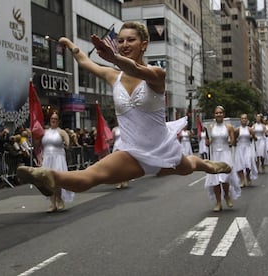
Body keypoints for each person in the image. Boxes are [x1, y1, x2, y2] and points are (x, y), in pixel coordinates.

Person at [17, 21, 231, 196]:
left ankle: (209, 166)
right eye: (120, 41)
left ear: (144, 44)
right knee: (90, 176)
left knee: (190, 166)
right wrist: (70, 44)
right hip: (133, 152)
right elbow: (85, 62)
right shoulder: (113, 76)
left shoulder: (156, 74)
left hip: (163, 148)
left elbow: (135, 69)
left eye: (131, 40)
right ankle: (47, 176)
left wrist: (114, 58)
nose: (124, 44)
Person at [205, 106, 240, 212]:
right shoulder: (211, 127)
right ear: (214, 115)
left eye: (220, 113)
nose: (218, 114)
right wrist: (207, 142)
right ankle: (218, 202)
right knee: (215, 180)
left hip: (225, 154)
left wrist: (235, 135)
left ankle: (227, 196)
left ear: (223, 114)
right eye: (216, 113)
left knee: (224, 178)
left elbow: (233, 142)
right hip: (215, 155)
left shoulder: (228, 127)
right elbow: (209, 141)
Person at [38, 112, 75, 212]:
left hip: (58, 158)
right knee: (48, 181)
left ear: (58, 121)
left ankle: (60, 199)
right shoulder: (45, 132)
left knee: (57, 180)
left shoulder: (61, 132)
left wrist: (68, 142)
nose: (53, 120)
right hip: (47, 158)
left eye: (55, 119)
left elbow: (67, 142)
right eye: (51, 119)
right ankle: (52, 203)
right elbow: (39, 145)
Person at [234, 113, 257, 187]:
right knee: (240, 164)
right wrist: (234, 143)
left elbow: (255, 138)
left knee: (248, 162)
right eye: (242, 118)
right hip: (240, 148)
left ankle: (248, 176)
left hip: (247, 147)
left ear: (247, 120)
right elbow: (234, 139)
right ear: (240, 120)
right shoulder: (237, 129)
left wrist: (253, 136)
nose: (244, 120)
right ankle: (242, 180)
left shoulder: (250, 129)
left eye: (245, 118)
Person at [112, 124, 129, 189]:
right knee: (117, 165)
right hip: (117, 146)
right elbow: (113, 139)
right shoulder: (115, 129)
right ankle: (118, 182)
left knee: (125, 165)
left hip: (125, 146)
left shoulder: (127, 127)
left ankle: (126, 180)